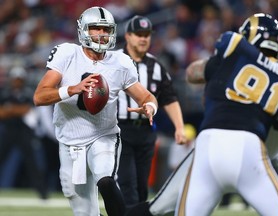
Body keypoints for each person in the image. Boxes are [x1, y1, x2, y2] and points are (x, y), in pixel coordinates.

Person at [126, 13, 278, 216]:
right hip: (249, 148)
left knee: (166, 209)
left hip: (207, 145)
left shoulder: (234, 48)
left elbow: (193, 72)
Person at [33, 6, 158, 216]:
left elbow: (145, 96)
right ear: (83, 30)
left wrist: (149, 106)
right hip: (69, 141)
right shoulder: (66, 54)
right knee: (85, 212)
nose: (101, 34)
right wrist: (71, 89)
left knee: (105, 180)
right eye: (96, 28)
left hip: (104, 135)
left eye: (105, 29)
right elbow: (40, 96)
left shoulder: (120, 62)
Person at [116, 15, 187, 207]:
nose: (143, 38)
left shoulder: (155, 66)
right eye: (139, 34)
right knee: (127, 184)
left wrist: (179, 127)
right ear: (128, 36)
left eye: (147, 34)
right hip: (120, 130)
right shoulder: (114, 60)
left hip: (146, 131)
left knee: (141, 186)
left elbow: (169, 97)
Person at [0, 66, 48, 199]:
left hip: (24, 131)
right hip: (7, 131)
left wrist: (10, 109)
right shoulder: (4, 92)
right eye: (15, 79)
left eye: (19, 79)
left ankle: (42, 192)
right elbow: (1, 113)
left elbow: (28, 110)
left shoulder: (28, 93)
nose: (17, 82)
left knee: (32, 161)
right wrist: (16, 110)